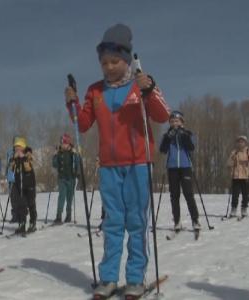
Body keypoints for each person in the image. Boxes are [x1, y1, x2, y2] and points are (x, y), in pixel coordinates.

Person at [65, 24, 170, 298]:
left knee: (136, 221)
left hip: (137, 163)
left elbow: (162, 115)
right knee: (113, 223)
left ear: (127, 59)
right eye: (104, 63)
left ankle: (135, 277)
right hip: (109, 166)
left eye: (115, 61)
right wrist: (73, 104)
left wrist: (150, 89)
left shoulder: (140, 84)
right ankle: (109, 277)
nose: (109, 67)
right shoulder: (95, 91)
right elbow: (84, 123)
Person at [159, 111, 200, 230]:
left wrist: (184, 136)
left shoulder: (187, 133)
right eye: (172, 121)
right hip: (172, 168)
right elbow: (163, 150)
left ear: (182, 122)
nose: (174, 123)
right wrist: (168, 138)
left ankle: (195, 220)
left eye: (177, 121)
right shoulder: (167, 135)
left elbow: (191, 147)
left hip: (185, 166)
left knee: (188, 194)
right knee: (174, 195)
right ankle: (177, 221)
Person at [9, 137, 37, 234]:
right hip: (19, 185)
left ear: (23, 147)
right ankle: (22, 224)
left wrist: (24, 158)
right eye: (15, 147)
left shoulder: (28, 155)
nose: (17, 149)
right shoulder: (15, 157)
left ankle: (33, 223)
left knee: (31, 204)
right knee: (21, 205)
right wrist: (14, 160)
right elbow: (11, 169)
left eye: (19, 147)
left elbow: (29, 168)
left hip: (29, 185)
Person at [226, 135, 249, 218]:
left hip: (246, 176)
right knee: (235, 194)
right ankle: (233, 209)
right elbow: (228, 163)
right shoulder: (234, 152)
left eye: (242, 142)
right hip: (236, 176)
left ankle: (244, 209)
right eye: (239, 142)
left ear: (245, 143)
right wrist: (232, 159)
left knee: (245, 194)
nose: (240, 143)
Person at [52, 133, 79, 224]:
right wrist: (55, 156)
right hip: (62, 178)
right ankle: (58, 216)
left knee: (69, 198)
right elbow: (55, 165)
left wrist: (76, 154)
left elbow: (78, 163)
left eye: (64, 143)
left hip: (71, 178)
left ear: (68, 143)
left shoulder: (72, 153)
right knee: (62, 197)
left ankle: (68, 215)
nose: (62, 145)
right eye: (61, 143)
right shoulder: (59, 153)